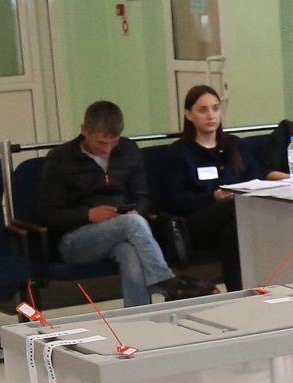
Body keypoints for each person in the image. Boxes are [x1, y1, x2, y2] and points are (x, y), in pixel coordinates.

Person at [39, 101, 203, 307]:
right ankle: (165, 281)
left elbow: (142, 197)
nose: (107, 149)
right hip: (76, 240)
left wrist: (136, 211)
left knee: (129, 253)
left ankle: (139, 318)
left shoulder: (128, 150)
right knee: (132, 224)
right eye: (101, 143)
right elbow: (49, 213)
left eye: (113, 142)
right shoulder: (61, 158)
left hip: (125, 231)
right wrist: (88, 215)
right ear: (84, 131)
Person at [160, 85, 259, 291]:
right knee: (231, 208)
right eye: (203, 110)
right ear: (188, 114)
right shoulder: (179, 153)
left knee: (230, 230)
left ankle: (239, 294)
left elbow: (256, 180)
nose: (211, 115)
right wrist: (212, 197)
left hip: (235, 221)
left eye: (215, 108)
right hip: (195, 223)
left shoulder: (234, 145)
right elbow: (174, 200)